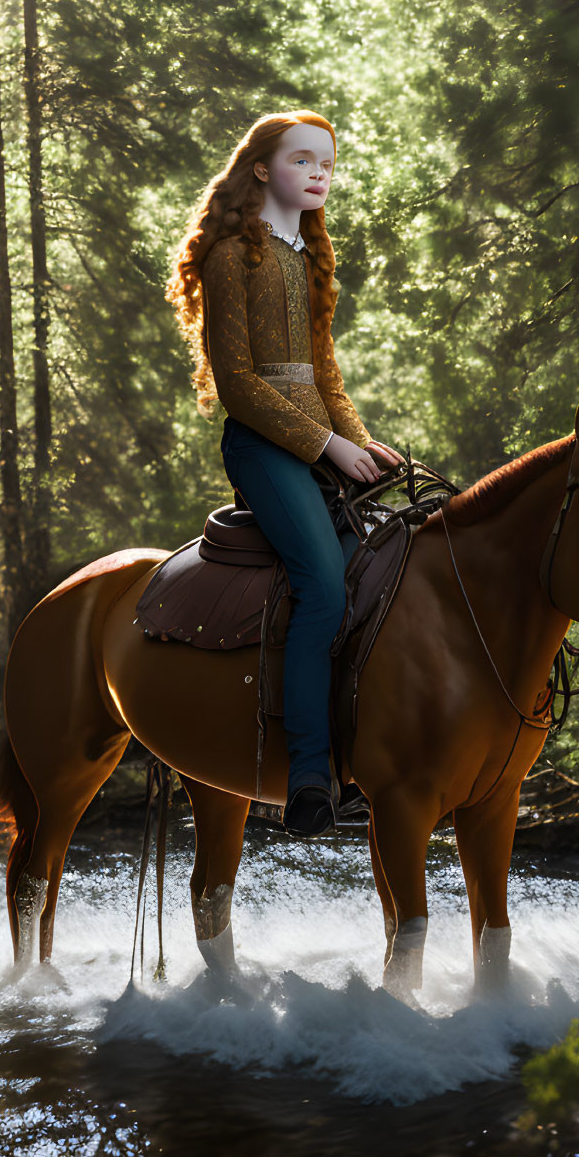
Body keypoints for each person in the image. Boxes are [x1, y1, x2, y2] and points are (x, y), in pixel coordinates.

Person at [167, 110, 404, 837]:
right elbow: (239, 385)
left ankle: (358, 758)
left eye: (326, 163)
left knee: (382, 575)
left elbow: (324, 378)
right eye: (303, 160)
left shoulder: (304, 257)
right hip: (260, 449)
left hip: (315, 442)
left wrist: (365, 444)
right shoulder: (230, 257)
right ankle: (308, 775)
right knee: (323, 587)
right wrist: (328, 448)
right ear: (262, 168)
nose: (319, 174)